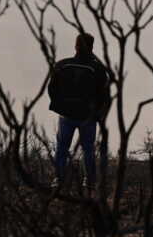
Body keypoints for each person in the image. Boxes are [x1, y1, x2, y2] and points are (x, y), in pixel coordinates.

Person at [48, 33, 112, 189]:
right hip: (88, 116)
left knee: (62, 148)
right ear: (91, 47)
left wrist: (60, 106)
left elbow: (52, 89)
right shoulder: (98, 68)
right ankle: (89, 182)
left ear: (75, 45)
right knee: (88, 149)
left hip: (66, 115)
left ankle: (58, 179)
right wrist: (99, 113)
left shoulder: (62, 65)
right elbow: (105, 95)